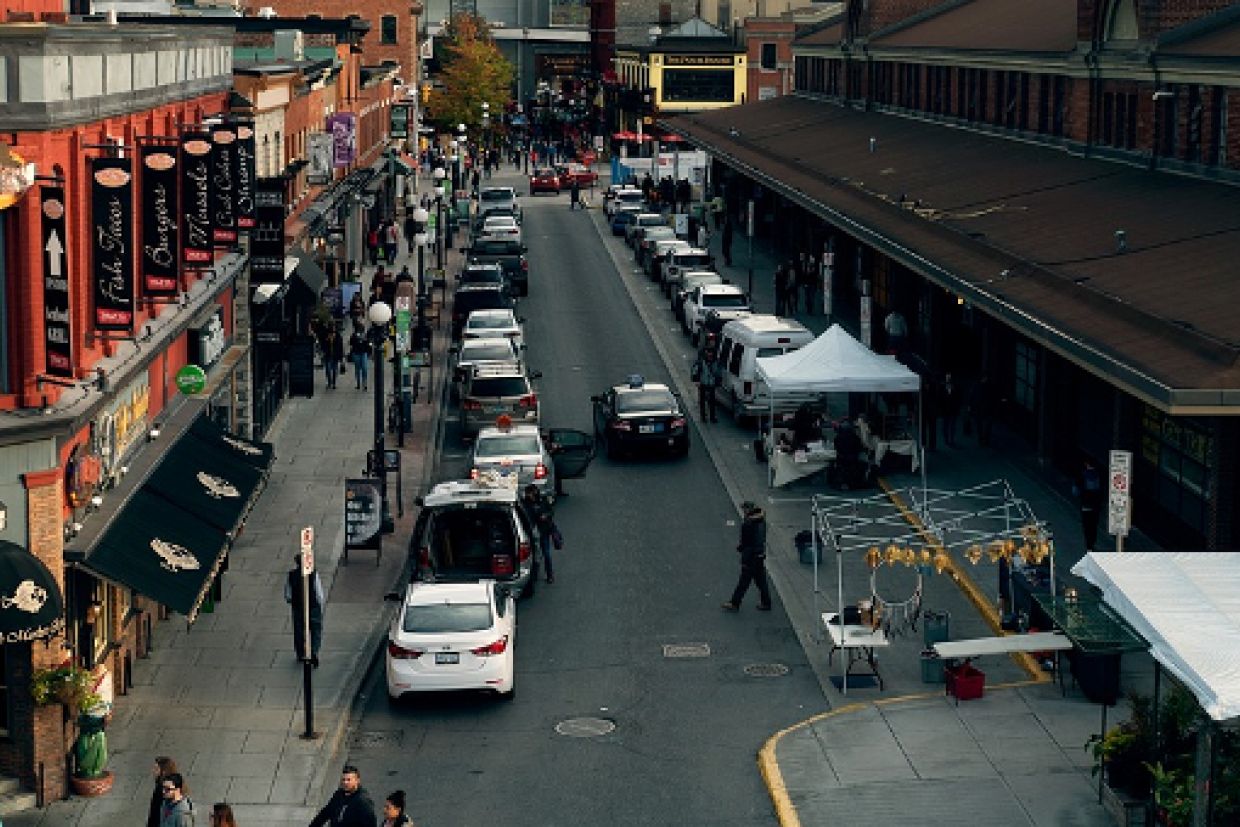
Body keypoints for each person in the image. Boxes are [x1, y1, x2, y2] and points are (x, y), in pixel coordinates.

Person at [721, 501, 771, 612]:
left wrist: (742, 551)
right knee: (760, 580)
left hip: (751, 556)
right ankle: (766, 602)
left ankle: (735, 603)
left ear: (748, 509)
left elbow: (747, 542)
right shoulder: (761, 520)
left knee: (744, 581)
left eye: (744, 509)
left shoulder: (749, 523)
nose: (743, 511)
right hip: (759, 554)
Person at [285, 555, 325, 667]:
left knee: (299, 630)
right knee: (316, 630)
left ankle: (301, 653)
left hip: (298, 607)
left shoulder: (291, 575)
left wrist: (293, 601)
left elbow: (288, 595)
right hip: (313, 606)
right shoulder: (314, 574)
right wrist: (319, 606)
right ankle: (314, 651)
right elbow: (319, 593)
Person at [310, 765, 377, 827]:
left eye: (348, 780)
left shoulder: (363, 801)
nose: (345, 782)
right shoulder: (339, 794)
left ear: (357, 780)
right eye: (343, 779)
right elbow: (325, 813)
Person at [521, 484, 558, 584]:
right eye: (528, 494)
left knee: (546, 554)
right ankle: (534, 575)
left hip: (543, 531)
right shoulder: (525, 503)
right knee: (534, 555)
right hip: (532, 532)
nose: (529, 495)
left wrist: (545, 516)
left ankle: (550, 575)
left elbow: (551, 511)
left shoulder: (542, 500)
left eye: (531, 493)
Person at [1074, 456, 1104, 552]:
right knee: (1094, 525)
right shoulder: (1099, 475)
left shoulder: (1081, 475)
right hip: (1096, 506)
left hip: (1085, 505)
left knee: (1086, 526)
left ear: (1086, 464)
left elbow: (1075, 492)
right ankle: (1092, 543)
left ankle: (1089, 546)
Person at [692, 339, 721, 423]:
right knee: (702, 401)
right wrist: (697, 381)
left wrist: (717, 381)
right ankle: (703, 417)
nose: (709, 354)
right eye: (708, 352)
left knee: (712, 402)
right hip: (703, 383)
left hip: (711, 384)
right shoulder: (701, 362)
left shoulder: (715, 362)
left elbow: (718, 372)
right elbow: (695, 371)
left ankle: (712, 417)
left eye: (711, 353)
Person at [147, 757, 181, 827]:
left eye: (156, 769)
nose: (153, 771)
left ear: (164, 771)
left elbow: (156, 812)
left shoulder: (162, 788)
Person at [832, 419, 866, 490]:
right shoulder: (855, 438)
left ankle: (841, 482)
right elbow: (860, 448)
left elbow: (837, 449)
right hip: (853, 459)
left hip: (842, 460)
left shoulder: (837, 438)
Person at [940, 373, 961, 447]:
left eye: (949, 378)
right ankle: (947, 440)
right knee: (945, 426)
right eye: (947, 378)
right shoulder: (942, 388)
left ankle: (951, 440)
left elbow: (958, 399)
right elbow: (940, 399)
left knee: (952, 426)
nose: (948, 379)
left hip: (953, 410)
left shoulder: (955, 388)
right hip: (946, 410)